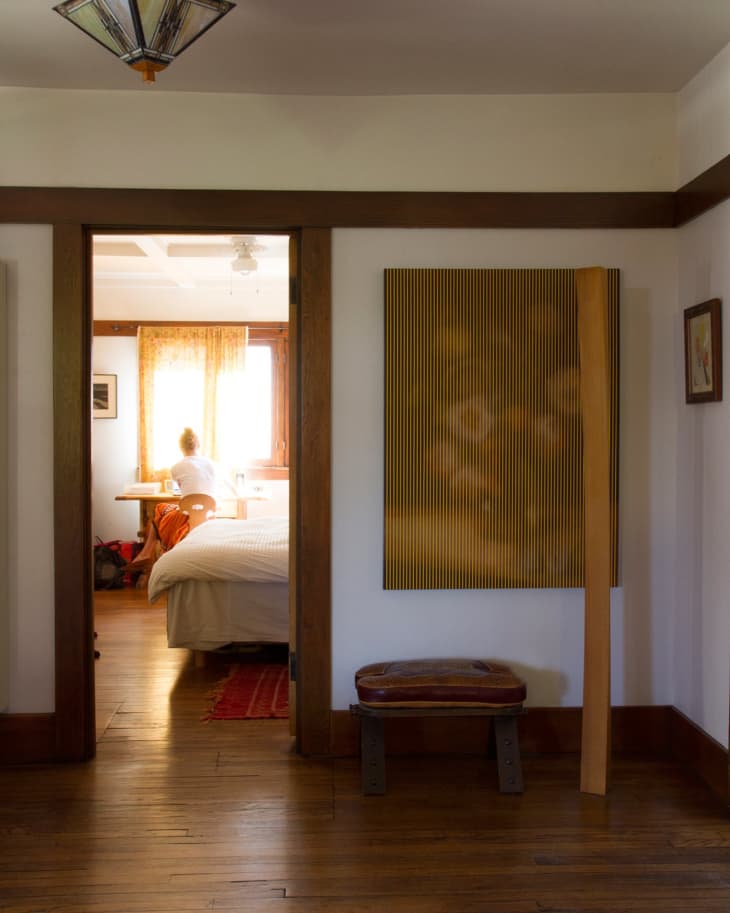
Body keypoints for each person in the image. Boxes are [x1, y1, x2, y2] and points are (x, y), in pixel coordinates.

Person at [126, 428, 230, 577]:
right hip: (209, 516)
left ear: (181, 447)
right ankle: (147, 554)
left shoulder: (176, 467)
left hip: (186, 517)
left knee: (160, 509)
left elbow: (183, 489)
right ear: (198, 445)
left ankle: (146, 553)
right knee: (165, 511)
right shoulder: (212, 464)